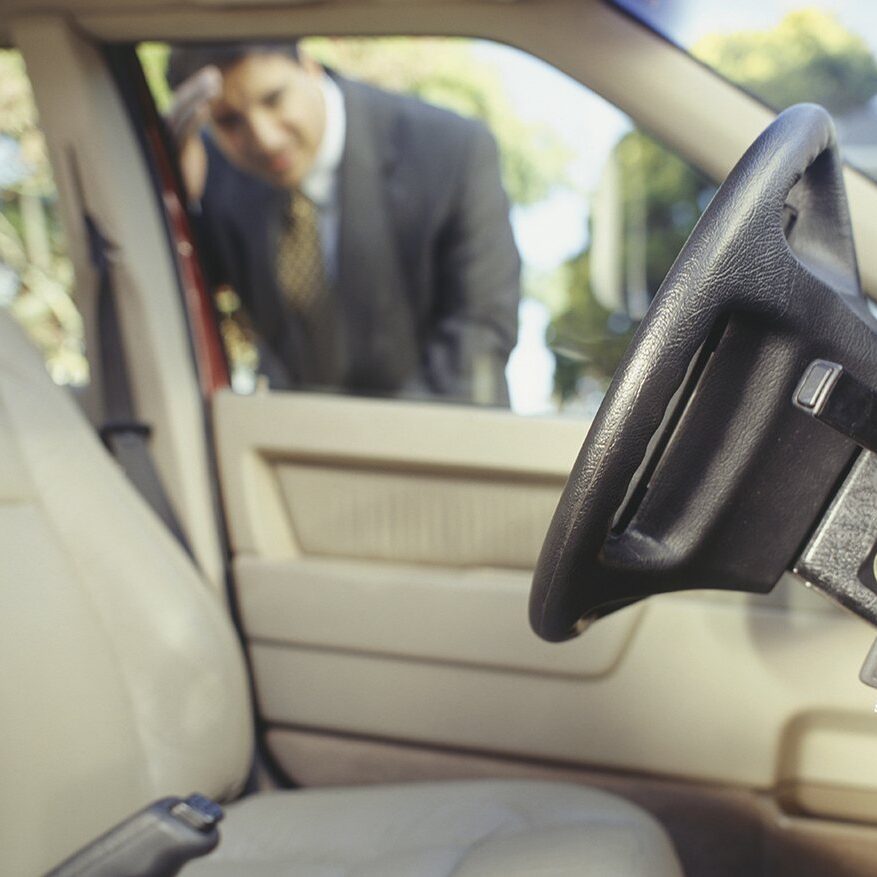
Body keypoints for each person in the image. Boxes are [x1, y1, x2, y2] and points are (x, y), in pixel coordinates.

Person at [166, 42, 521, 404]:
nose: (265, 139)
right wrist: (176, 195)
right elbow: (182, 303)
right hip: (288, 445)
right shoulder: (213, 170)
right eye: (229, 121)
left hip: (438, 440)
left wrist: (370, 444)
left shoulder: (450, 150)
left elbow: (479, 334)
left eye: (273, 99)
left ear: (309, 66)